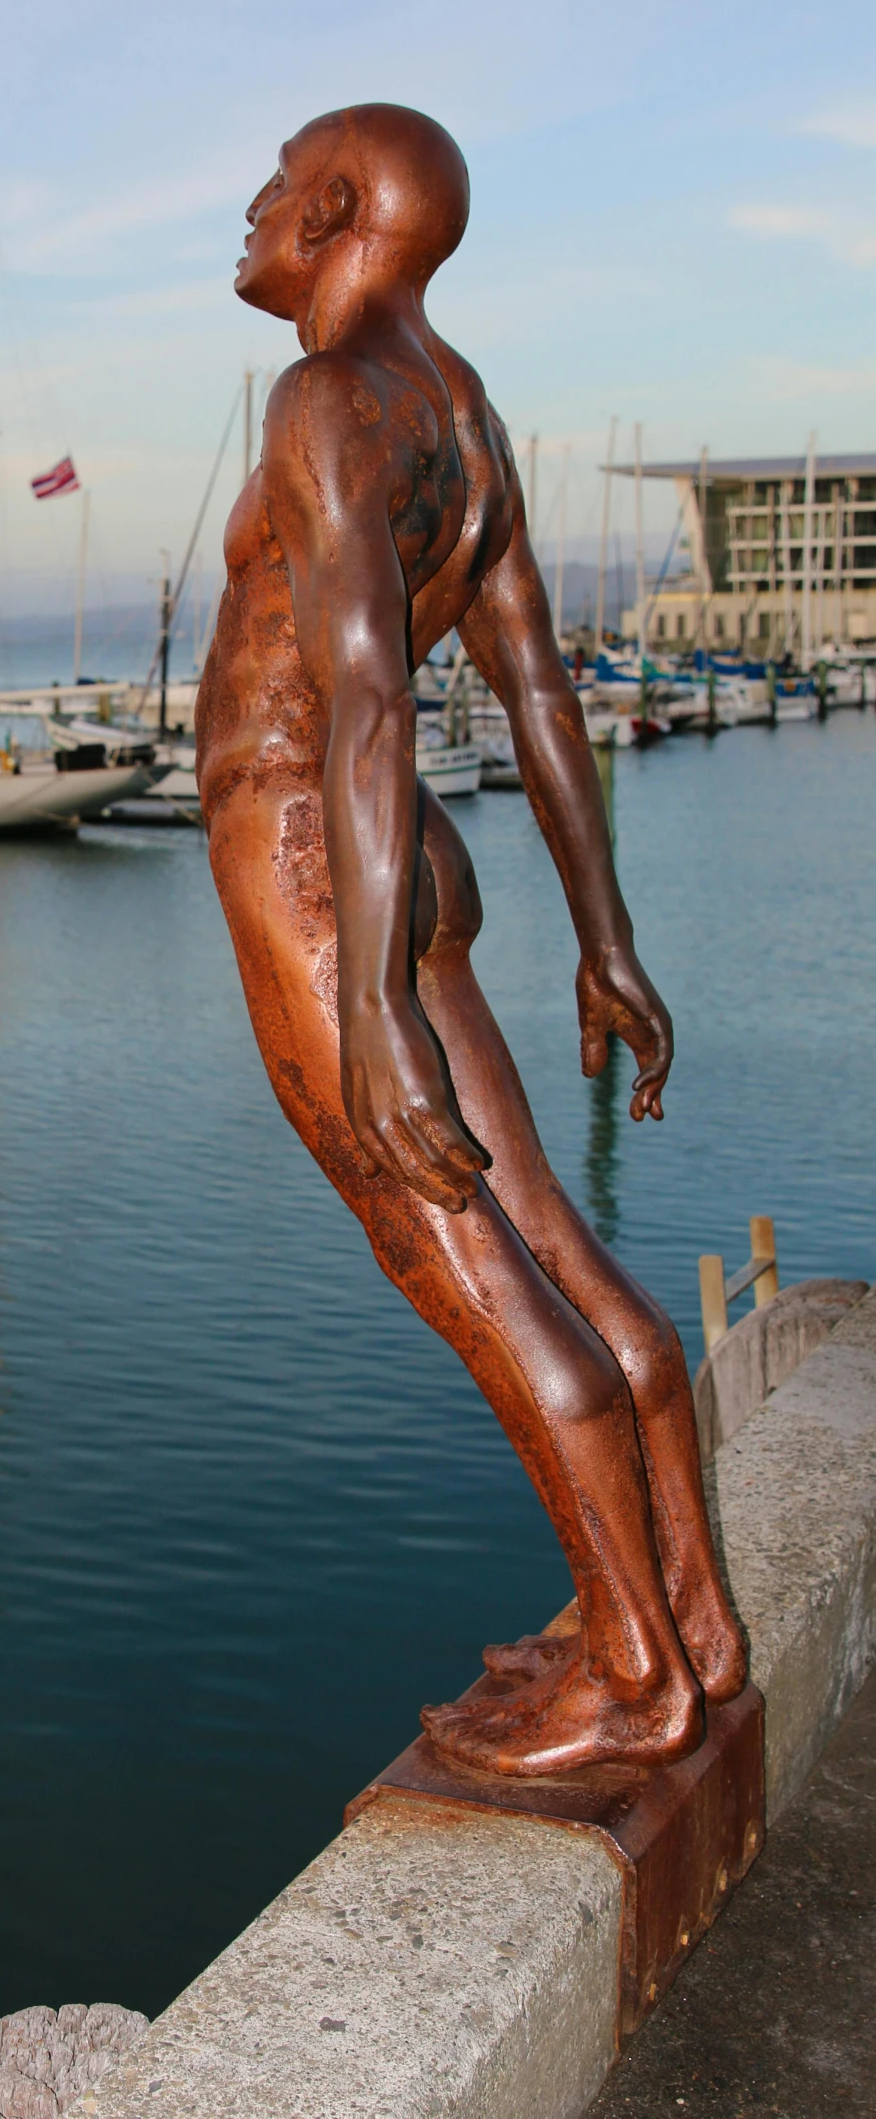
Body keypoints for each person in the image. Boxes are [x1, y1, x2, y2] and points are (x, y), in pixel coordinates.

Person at [195, 104, 746, 1776]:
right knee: (549, 1242)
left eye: (277, 185)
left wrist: (362, 1000)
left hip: (311, 852)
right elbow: (536, 691)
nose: (251, 205)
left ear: (343, 208)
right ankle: (689, 1617)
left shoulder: (321, 399)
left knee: (461, 1264)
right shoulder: (460, 414)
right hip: (403, 859)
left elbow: (368, 696)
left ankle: (632, 1675)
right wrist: (606, 941)